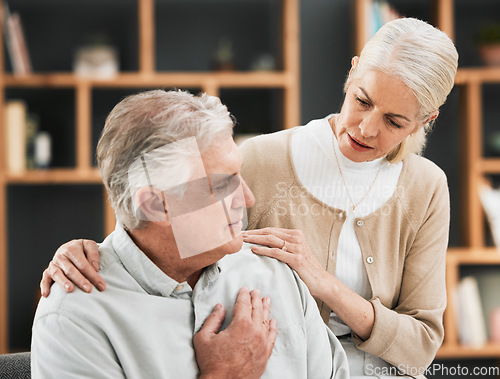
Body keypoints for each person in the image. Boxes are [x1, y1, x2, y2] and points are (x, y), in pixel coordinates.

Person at [40, 17, 458, 378]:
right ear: (351, 76)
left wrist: (322, 283)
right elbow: (155, 230)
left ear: (426, 120)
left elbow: (420, 345)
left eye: (394, 120)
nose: (366, 129)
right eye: (362, 100)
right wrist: (87, 250)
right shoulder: (257, 159)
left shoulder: (279, 279)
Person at [31, 89, 349, 378]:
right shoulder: (74, 319)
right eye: (224, 184)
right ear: (157, 204)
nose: (248, 198)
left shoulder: (277, 273)